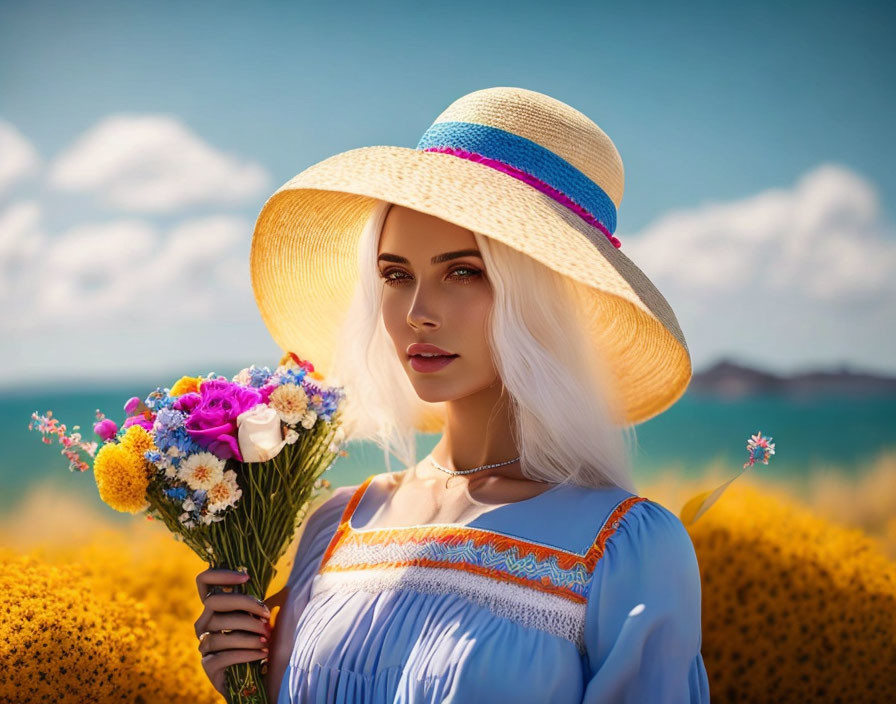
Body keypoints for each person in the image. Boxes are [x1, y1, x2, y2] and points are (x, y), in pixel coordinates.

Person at [197, 86, 711, 702]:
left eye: (462, 272)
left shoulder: (627, 549)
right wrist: (244, 683)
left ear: (540, 297)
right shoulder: (336, 524)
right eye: (395, 274)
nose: (417, 312)